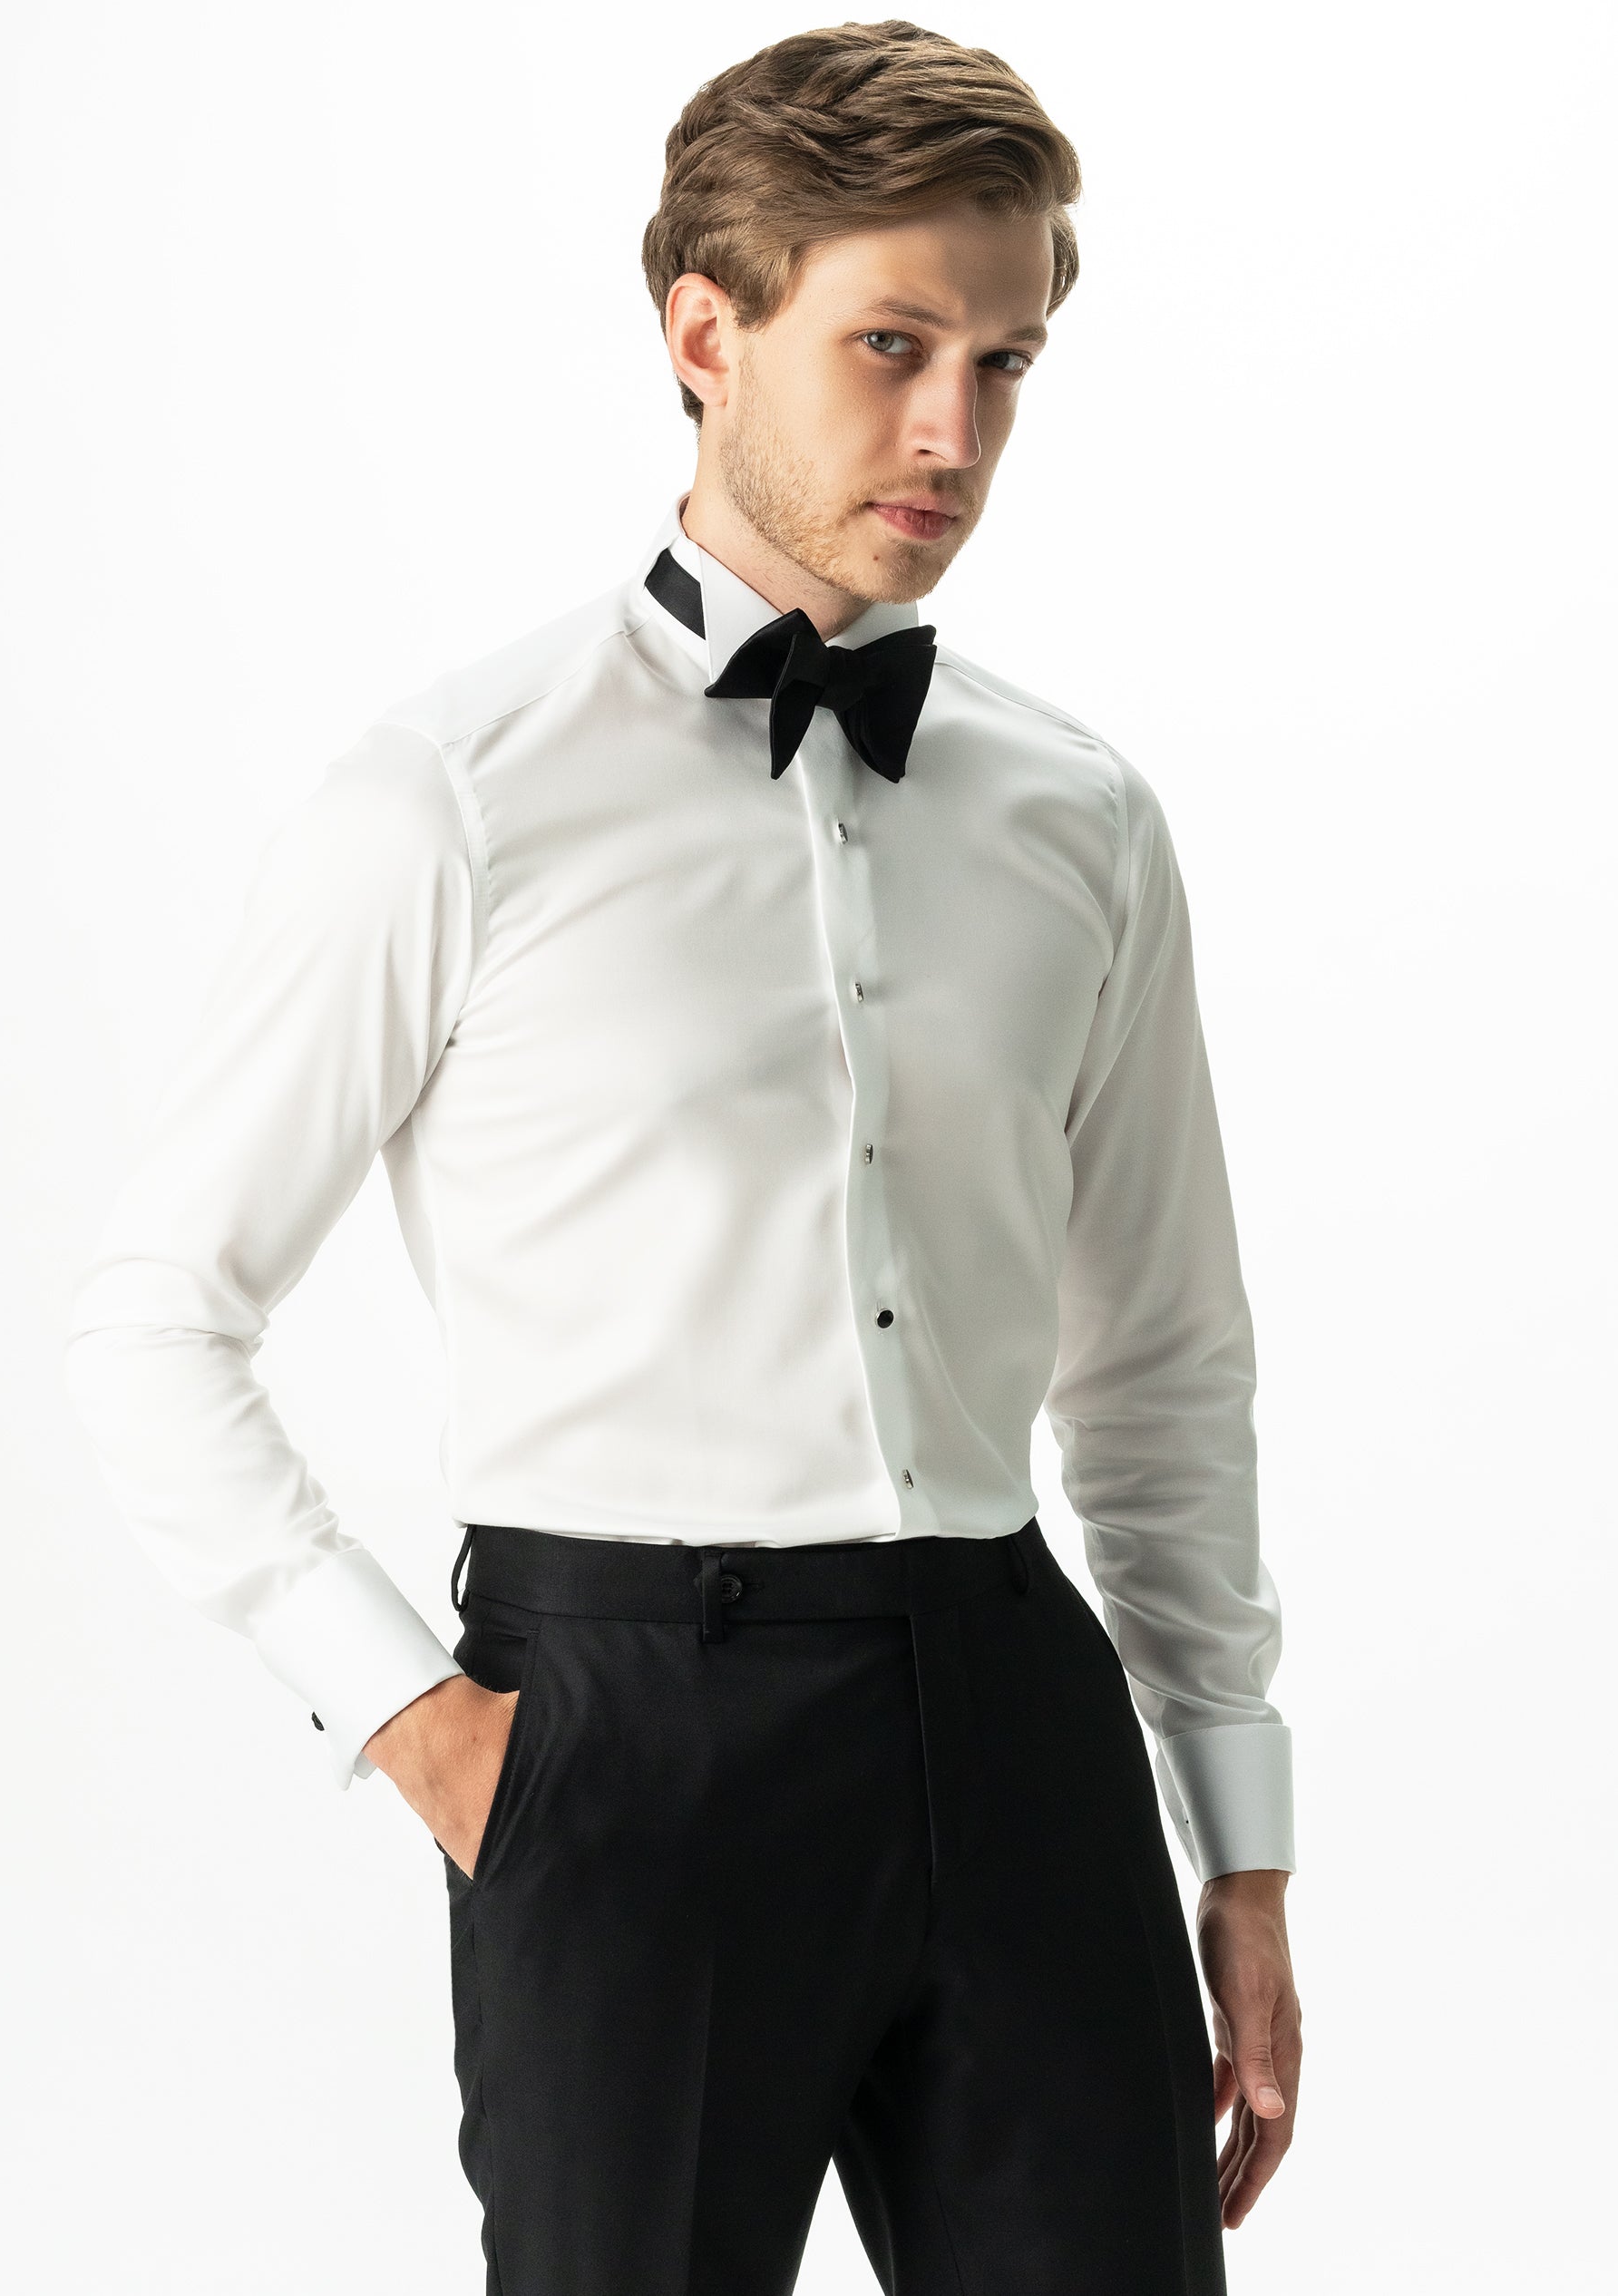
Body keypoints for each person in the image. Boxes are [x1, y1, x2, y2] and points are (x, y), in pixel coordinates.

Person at [65, 19, 1301, 2292]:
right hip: (626, 1730)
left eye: (1003, 364)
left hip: (1011, 1711)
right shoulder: (453, 797)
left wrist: (1236, 1843)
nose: (952, 434)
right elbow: (158, 1320)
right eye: (890, 347)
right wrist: (426, 1730)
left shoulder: (1080, 819)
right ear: (703, 334)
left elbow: (1158, 1363)